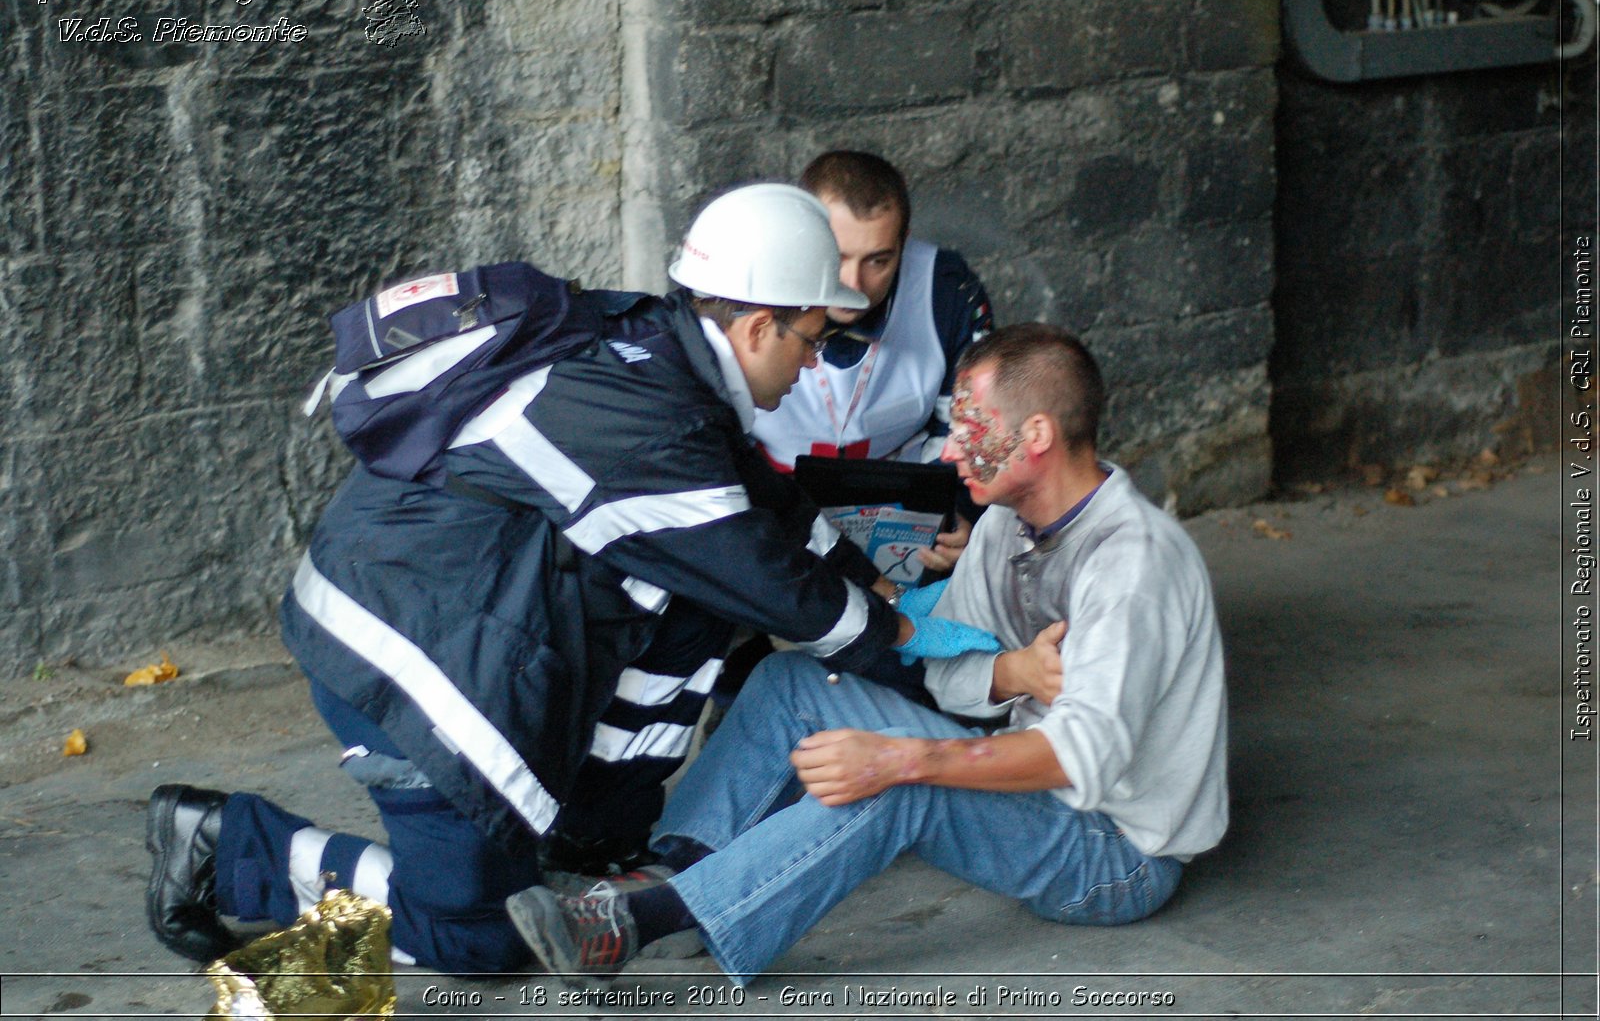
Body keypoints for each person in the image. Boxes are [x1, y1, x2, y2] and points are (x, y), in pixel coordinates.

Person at [143, 184, 1003, 974]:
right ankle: (227, 844)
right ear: (756, 328)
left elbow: (771, 507)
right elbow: (777, 585)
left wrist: (877, 578)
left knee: (689, 617)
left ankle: (581, 836)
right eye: (811, 341)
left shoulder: (653, 357)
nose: (814, 364)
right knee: (481, 934)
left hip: (443, 612)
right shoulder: (648, 426)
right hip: (407, 654)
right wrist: (917, 647)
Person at [506, 324, 1229, 986]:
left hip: (1114, 851)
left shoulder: (1133, 565)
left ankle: (640, 926)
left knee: (898, 779)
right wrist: (1007, 673)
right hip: (1038, 787)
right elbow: (939, 666)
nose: (949, 450)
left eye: (970, 427)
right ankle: (672, 874)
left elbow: (1082, 757)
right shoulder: (1008, 528)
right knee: (791, 680)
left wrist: (903, 758)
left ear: (1036, 433)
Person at [752, 150, 994, 575]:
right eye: (837, 255)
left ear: (904, 243)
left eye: (879, 261)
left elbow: (969, 425)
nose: (853, 283)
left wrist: (959, 514)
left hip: (907, 511)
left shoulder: (948, 293)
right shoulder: (744, 284)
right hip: (770, 506)